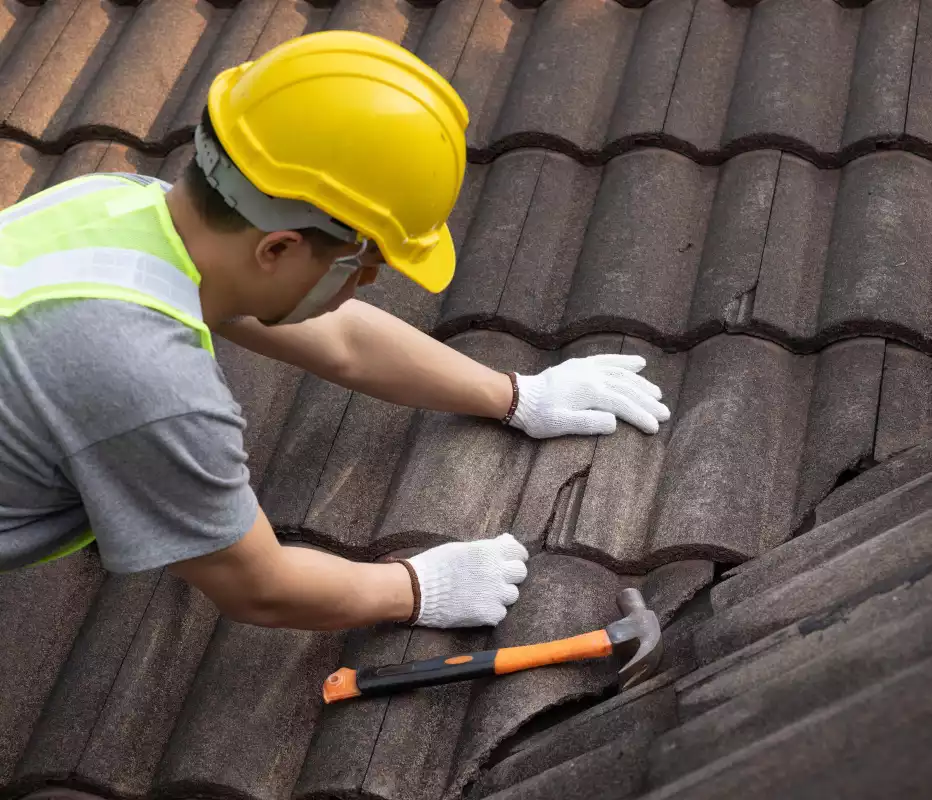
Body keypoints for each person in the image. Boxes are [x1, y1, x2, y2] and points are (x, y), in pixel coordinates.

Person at [0, 31, 670, 632]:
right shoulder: (149, 383)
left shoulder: (115, 201)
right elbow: (260, 588)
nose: (362, 286)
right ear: (278, 249)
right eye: (362, 267)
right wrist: (413, 587)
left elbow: (342, 340)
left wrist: (518, 395)